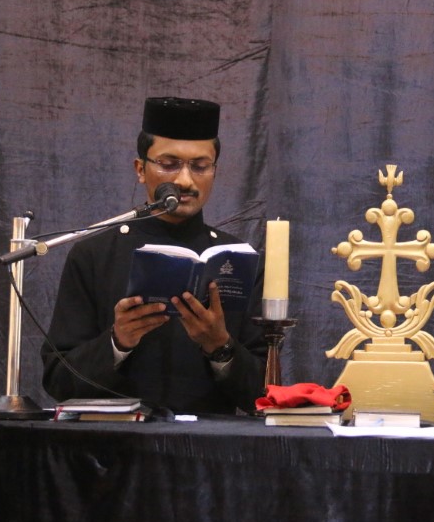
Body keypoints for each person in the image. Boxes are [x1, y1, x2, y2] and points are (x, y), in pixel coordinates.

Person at [42, 96, 266, 414]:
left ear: (214, 171)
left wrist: (220, 345)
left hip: (209, 442)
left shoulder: (240, 261)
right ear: (141, 169)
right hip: (115, 442)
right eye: (169, 164)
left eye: (200, 166)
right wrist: (118, 341)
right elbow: (58, 383)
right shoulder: (93, 255)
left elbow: (263, 397)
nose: (184, 180)